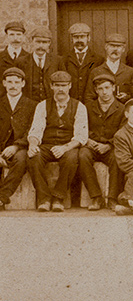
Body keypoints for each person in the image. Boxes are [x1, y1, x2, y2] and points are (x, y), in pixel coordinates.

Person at [26, 71, 89, 212]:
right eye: (57, 85)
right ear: (52, 86)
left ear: (70, 86)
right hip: (47, 145)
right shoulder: (42, 105)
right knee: (33, 157)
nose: (61, 89)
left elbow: (81, 136)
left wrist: (65, 148)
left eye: (64, 85)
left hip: (68, 145)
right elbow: (36, 129)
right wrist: (33, 144)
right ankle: (44, 199)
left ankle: (58, 198)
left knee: (72, 158)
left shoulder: (79, 106)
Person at [80, 74, 125, 210]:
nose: (104, 92)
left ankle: (112, 198)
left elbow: (123, 132)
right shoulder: (87, 107)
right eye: (100, 89)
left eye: (107, 88)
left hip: (111, 146)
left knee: (118, 159)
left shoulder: (122, 108)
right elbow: (81, 126)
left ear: (113, 88)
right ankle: (96, 197)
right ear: (96, 90)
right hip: (91, 145)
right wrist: (87, 140)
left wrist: (109, 145)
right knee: (82, 156)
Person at [0, 68, 37, 210]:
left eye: (17, 82)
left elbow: (32, 129)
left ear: (23, 84)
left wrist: (16, 146)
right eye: (9, 82)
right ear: (4, 83)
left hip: (20, 147)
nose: (13, 86)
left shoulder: (32, 105)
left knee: (21, 159)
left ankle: (2, 197)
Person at [84, 33, 133, 105]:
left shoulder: (131, 72)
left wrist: (127, 97)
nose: (115, 49)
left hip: (124, 113)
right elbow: (89, 97)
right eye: (112, 46)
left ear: (123, 49)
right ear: (106, 47)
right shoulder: (96, 72)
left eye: (118, 46)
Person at [18, 27, 64, 102]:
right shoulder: (21, 62)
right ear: (32, 41)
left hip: (51, 103)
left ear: (49, 43)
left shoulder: (57, 61)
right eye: (38, 42)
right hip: (29, 103)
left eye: (44, 42)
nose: (41, 46)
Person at [63, 23, 104, 102]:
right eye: (76, 37)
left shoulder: (98, 59)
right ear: (71, 39)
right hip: (71, 102)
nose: (79, 40)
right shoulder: (64, 60)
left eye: (82, 37)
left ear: (88, 38)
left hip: (91, 103)